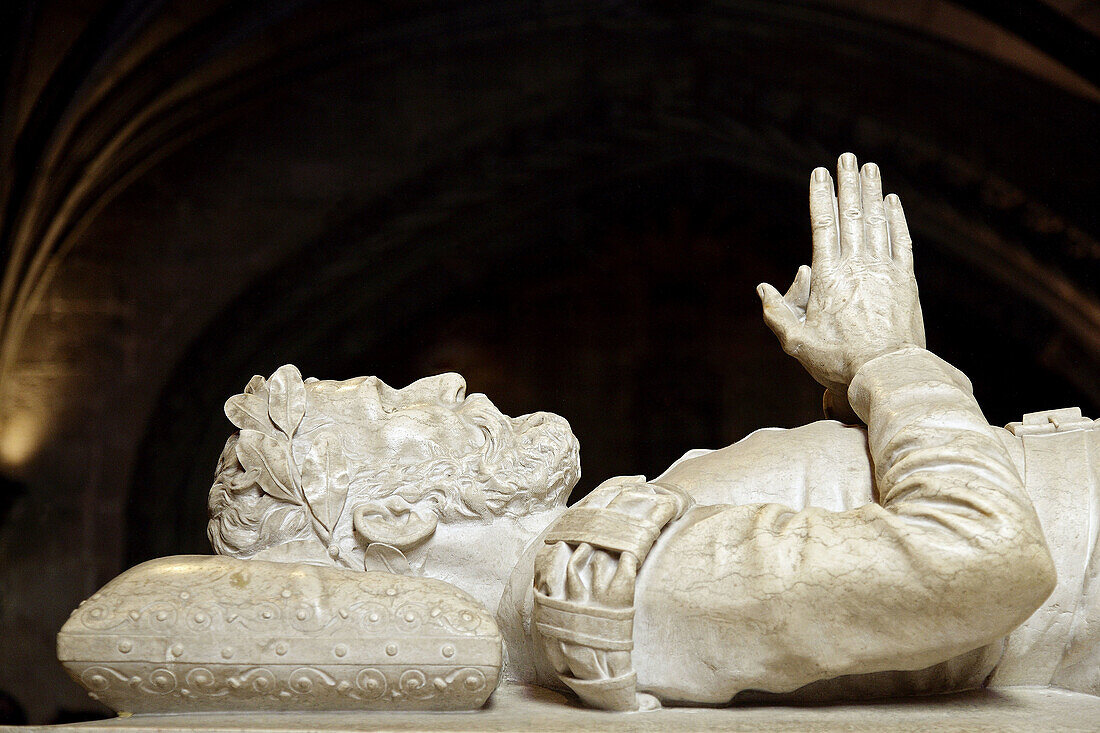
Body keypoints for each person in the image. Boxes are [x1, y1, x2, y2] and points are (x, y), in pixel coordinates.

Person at [209, 155, 1096, 710]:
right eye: (393, 409)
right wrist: (893, 362)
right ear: (393, 521)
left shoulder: (604, 552)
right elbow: (982, 557)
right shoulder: (618, 580)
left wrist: (849, 401)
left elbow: (868, 566)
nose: (440, 383)